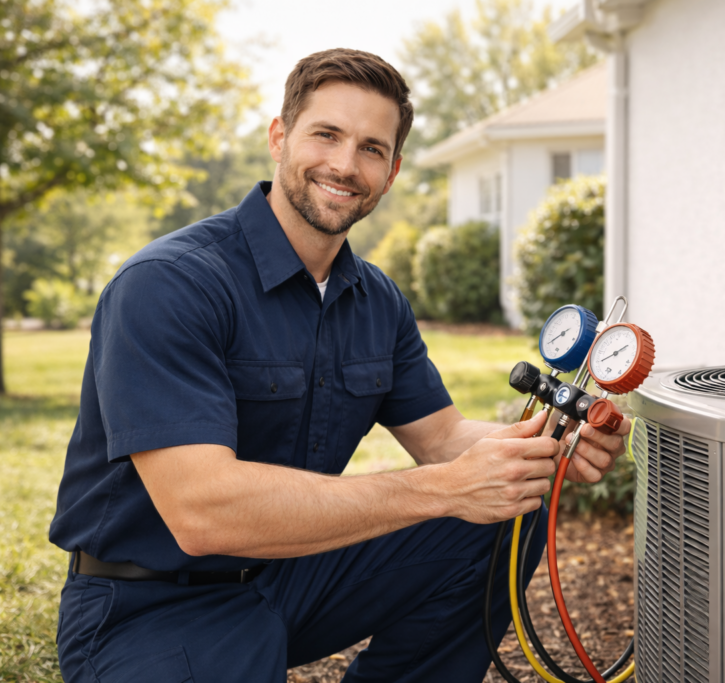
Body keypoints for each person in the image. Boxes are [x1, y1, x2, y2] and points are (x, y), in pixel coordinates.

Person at [50, 48, 630, 683]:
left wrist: (548, 445)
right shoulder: (170, 284)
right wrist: (444, 489)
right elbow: (202, 512)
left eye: (372, 149)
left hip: (291, 577)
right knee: (459, 499)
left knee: (500, 515)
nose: (345, 164)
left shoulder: (376, 299)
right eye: (326, 134)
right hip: (150, 604)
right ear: (279, 137)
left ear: (392, 171)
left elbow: (442, 439)